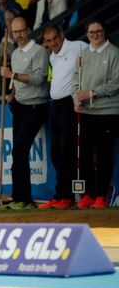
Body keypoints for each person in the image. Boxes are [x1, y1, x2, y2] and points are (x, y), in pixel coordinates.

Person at [0, 16, 49, 209]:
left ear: (28, 30)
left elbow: (39, 78)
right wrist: (12, 93)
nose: (18, 35)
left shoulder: (39, 51)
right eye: (15, 32)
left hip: (36, 106)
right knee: (17, 152)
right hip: (19, 105)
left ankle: (25, 199)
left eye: (21, 31)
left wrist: (12, 75)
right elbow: (17, 82)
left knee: (20, 150)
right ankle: (17, 197)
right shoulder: (15, 53)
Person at [71, 20, 119, 209]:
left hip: (108, 111)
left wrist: (92, 93)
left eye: (98, 31)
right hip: (87, 112)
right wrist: (76, 98)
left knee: (104, 154)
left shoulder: (114, 53)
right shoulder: (83, 54)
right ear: (87, 34)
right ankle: (88, 194)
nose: (95, 35)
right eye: (91, 32)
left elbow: (116, 82)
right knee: (84, 155)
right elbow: (75, 79)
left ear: (105, 32)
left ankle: (100, 195)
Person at [39, 25, 88, 209]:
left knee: (68, 152)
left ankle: (67, 196)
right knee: (56, 154)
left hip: (70, 104)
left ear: (61, 35)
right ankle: (60, 194)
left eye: (55, 38)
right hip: (56, 106)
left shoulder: (78, 47)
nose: (53, 43)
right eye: (49, 40)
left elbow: (92, 63)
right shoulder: (52, 56)